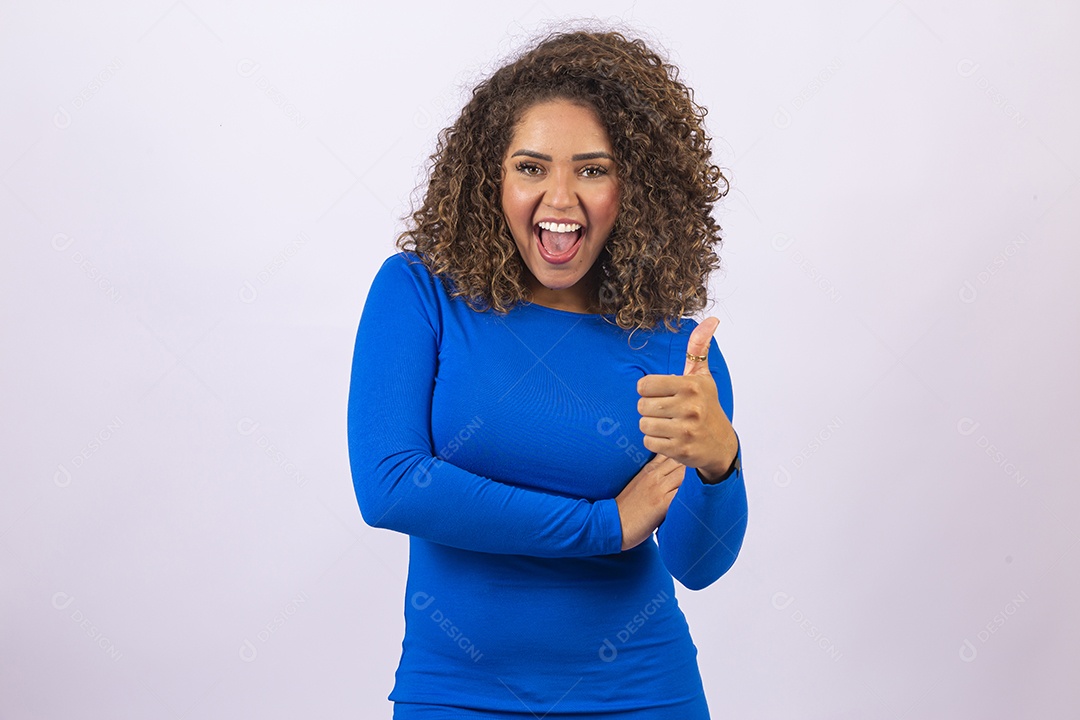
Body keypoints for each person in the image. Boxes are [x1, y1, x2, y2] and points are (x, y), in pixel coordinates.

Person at [347, 28, 747, 720]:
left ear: (636, 188)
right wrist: (605, 525)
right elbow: (390, 486)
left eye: (593, 170)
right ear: (490, 178)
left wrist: (720, 464)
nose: (560, 199)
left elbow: (696, 566)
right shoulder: (420, 294)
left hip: (643, 695)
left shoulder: (676, 352)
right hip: (457, 694)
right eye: (531, 167)